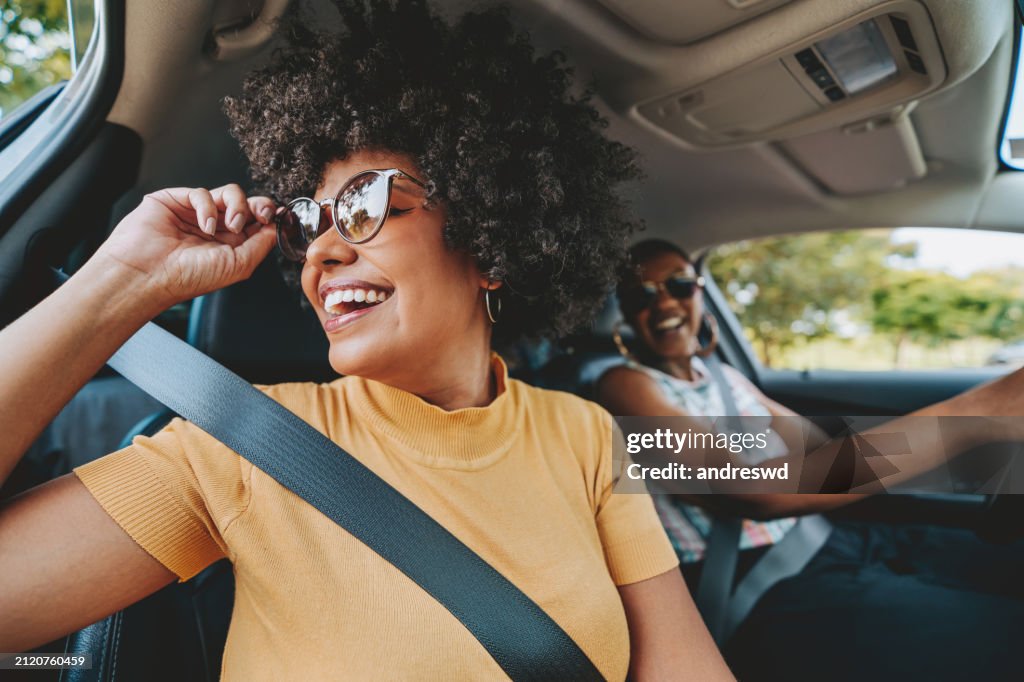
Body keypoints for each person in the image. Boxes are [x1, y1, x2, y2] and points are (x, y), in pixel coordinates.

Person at [0, 3, 735, 680]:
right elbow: (773, 477)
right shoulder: (242, 446)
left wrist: (834, 451)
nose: (319, 253)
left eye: (362, 206)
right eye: (309, 225)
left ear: (492, 239)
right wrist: (117, 286)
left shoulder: (588, 434)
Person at [597, 238, 1024, 681]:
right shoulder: (622, 385)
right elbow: (747, 488)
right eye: (641, 294)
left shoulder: (723, 376)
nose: (663, 300)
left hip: (825, 539)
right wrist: (977, 415)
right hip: (758, 583)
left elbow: (818, 447)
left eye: (680, 284)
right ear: (625, 314)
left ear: (700, 292)